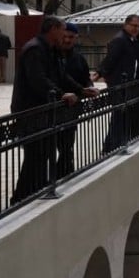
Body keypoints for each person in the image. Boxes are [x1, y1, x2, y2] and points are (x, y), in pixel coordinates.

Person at [10, 16, 94, 205]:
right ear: (53, 29)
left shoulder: (50, 49)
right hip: (32, 111)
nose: (65, 35)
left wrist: (81, 90)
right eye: (63, 30)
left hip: (45, 112)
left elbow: (61, 76)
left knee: (44, 153)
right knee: (35, 156)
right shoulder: (35, 49)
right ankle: (21, 198)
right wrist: (61, 95)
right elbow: (38, 80)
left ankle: (37, 190)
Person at [98, 14, 139, 154]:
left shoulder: (131, 40)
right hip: (118, 84)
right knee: (118, 115)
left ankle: (116, 143)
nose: (136, 29)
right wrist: (102, 73)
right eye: (134, 26)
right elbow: (110, 60)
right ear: (126, 25)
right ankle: (111, 146)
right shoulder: (120, 40)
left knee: (122, 115)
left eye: (138, 26)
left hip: (126, 83)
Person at [54, 23, 94, 178]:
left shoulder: (78, 58)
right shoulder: (52, 55)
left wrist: (88, 89)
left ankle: (64, 173)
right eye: (64, 36)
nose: (67, 40)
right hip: (55, 106)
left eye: (70, 37)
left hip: (72, 109)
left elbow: (86, 80)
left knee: (67, 145)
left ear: (76, 38)